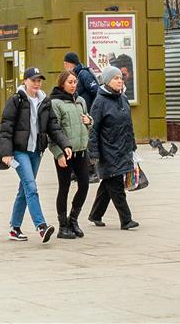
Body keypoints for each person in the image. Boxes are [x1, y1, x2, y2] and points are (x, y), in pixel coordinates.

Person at [0, 65, 70, 244]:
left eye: (39, 80)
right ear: (25, 81)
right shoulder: (16, 100)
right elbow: (5, 128)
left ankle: (14, 228)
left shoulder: (45, 101)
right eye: (33, 80)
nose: (37, 83)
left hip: (36, 152)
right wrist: (6, 152)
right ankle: (41, 226)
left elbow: (53, 126)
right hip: (19, 151)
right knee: (31, 187)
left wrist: (65, 144)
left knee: (25, 189)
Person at [86, 65, 138, 230]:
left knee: (108, 183)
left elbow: (128, 125)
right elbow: (93, 129)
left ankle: (95, 214)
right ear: (107, 81)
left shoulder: (123, 99)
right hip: (107, 151)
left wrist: (132, 145)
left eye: (121, 78)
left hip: (123, 149)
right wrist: (94, 152)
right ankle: (126, 220)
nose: (119, 81)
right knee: (116, 185)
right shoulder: (100, 102)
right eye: (115, 78)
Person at [48, 68, 92, 239]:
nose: (73, 85)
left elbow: (87, 121)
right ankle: (62, 226)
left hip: (81, 151)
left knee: (84, 185)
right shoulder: (55, 103)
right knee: (64, 187)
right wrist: (58, 154)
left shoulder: (80, 101)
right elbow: (53, 131)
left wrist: (89, 121)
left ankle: (73, 219)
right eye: (70, 82)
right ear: (62, 84)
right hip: (65, 152)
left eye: (75, 82)